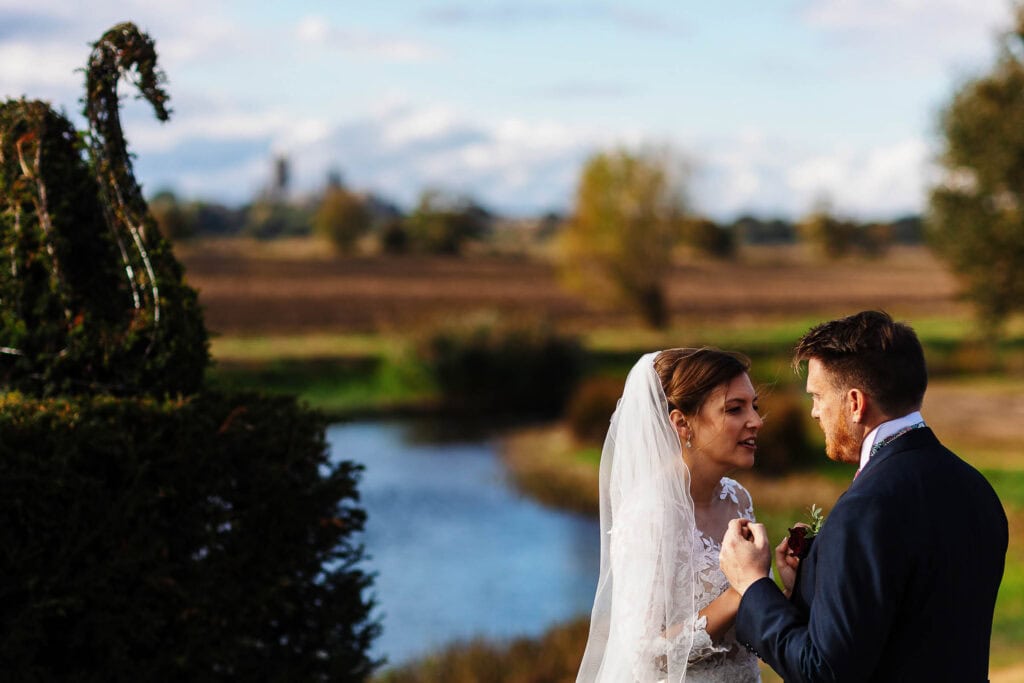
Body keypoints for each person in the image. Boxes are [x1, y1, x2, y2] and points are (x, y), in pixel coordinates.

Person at [719, 310, 1008, 682]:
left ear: (855, 403)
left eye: (818, 397)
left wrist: (753, 584)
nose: (814, 412)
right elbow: (910, 623)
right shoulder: (975, 487)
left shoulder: (865, 506)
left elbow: (823, 672)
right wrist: (810, 589)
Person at [577, 348, 764, 682]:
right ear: (682, 423)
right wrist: (740, 593)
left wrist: (782, 589)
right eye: (735, 409)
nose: (756, 421)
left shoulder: (738, 499)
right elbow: (645, 654)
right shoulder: (648, 515)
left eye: (755, 406)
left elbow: (750, 630)